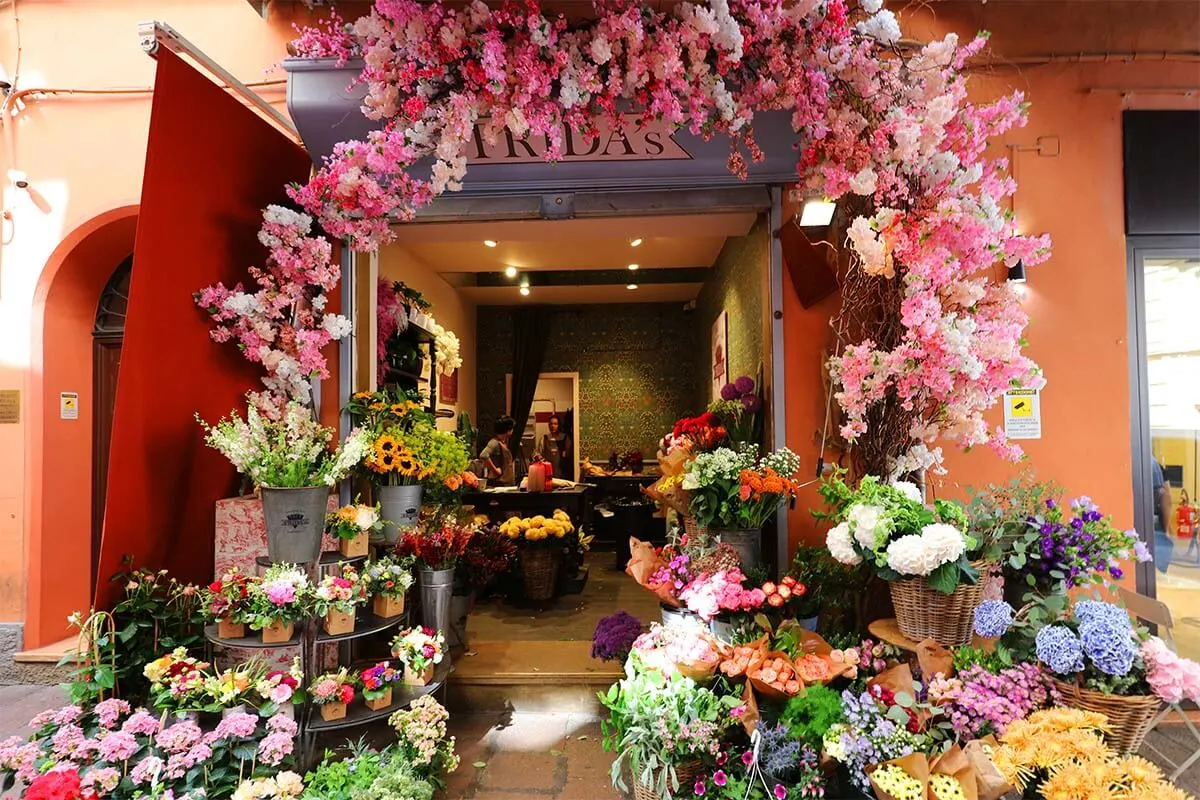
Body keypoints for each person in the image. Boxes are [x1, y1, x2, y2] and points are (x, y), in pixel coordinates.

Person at [1152, 455, 1174, 573]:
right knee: (1158, 574)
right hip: (1154, 522)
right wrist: (1166, 530)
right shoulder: (1157, 466)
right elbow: (1167, 499)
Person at [481, 416, 516, 487]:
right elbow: (483, 455)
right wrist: (495, 470)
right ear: (508, 430)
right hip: (498, 483)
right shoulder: (494, 442)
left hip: (505, 483)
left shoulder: (503, 442)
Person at [539, 415, 573, 479]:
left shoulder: (565, 438)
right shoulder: (544, 438)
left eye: (555, 424)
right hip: (548, 472)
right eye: (551, 424)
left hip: (562, 473)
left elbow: (568, 455)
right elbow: (540, 454)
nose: (552, 426)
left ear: (559, 425)